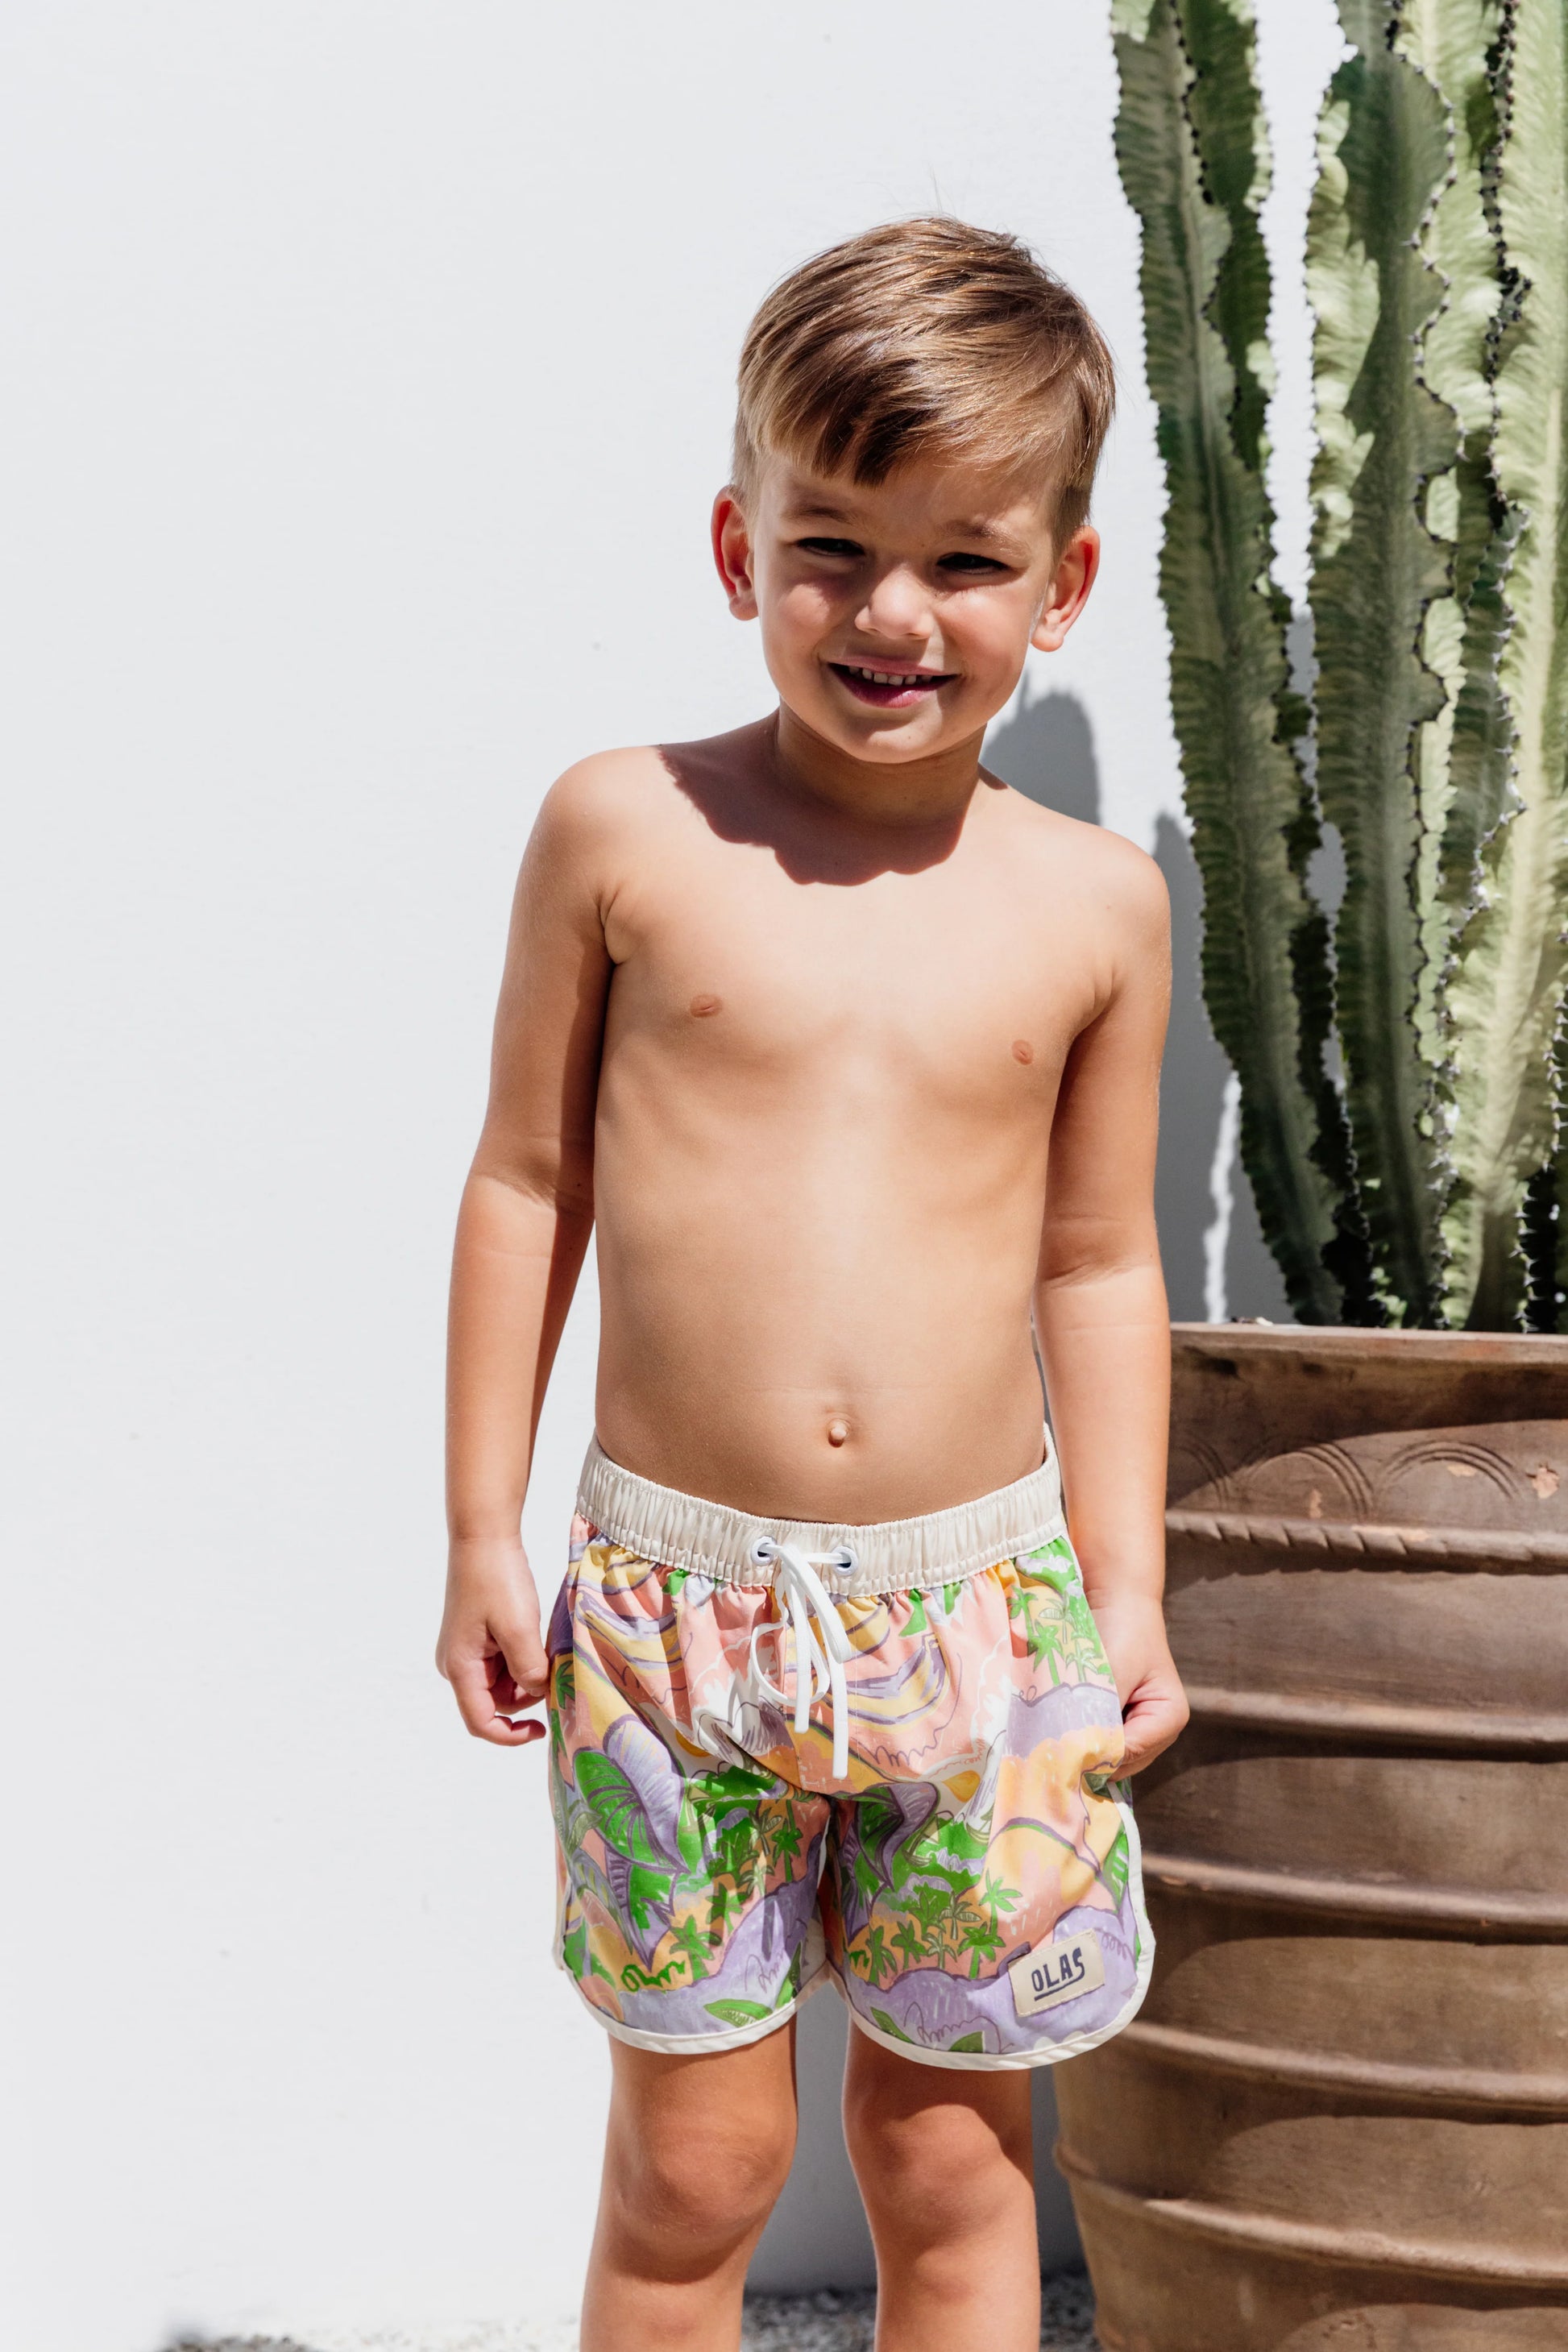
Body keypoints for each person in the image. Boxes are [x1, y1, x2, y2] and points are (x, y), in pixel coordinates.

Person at [437, 216, 1187, 2352]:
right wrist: (482, 1529)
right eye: (831, 547)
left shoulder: (1094, 908)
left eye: (963, 560)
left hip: (985, 1623)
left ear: (1061, 584)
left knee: (950, 2160)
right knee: (694, 2168)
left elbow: (1097, 1260)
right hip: (671, 1618)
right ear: (734, 544)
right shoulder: (625, 834)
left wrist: (1125, 1584)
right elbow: (524, 1186)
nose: (890, 613)